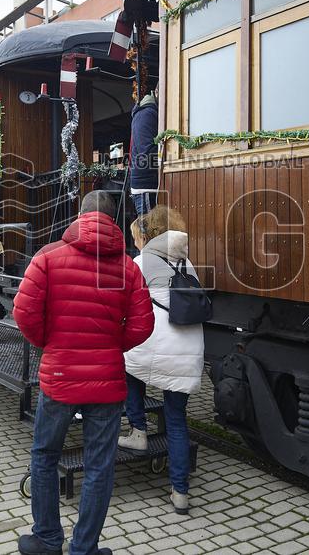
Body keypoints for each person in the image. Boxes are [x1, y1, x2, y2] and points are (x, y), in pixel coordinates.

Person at [13, 190, 154, 555]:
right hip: (107, 383)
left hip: (59, 379)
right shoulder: (128, 267)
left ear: (80, 215)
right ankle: (85, 548)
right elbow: (143, 325)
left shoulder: (48, 258)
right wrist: (111, 346)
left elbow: (24, 313)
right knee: (99, 466)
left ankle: (46, 539)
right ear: (113, 221)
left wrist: (51, 343)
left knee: (45, 456)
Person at [118, 205, 204, 515]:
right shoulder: (187, 264)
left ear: (148, 235)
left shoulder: (139, 263)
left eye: (138, 237)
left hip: (158, 348)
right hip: (189, 350)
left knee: (126, 365)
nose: (136, 243)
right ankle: (180, 492)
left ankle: (138, 431)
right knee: (177, 422)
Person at [129, 92, 159, 216]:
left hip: (149, 182)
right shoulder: (146, 114)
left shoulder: (149, 113)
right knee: (151, 232)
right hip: (146, 184)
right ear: (157, 92)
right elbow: (146, 154)